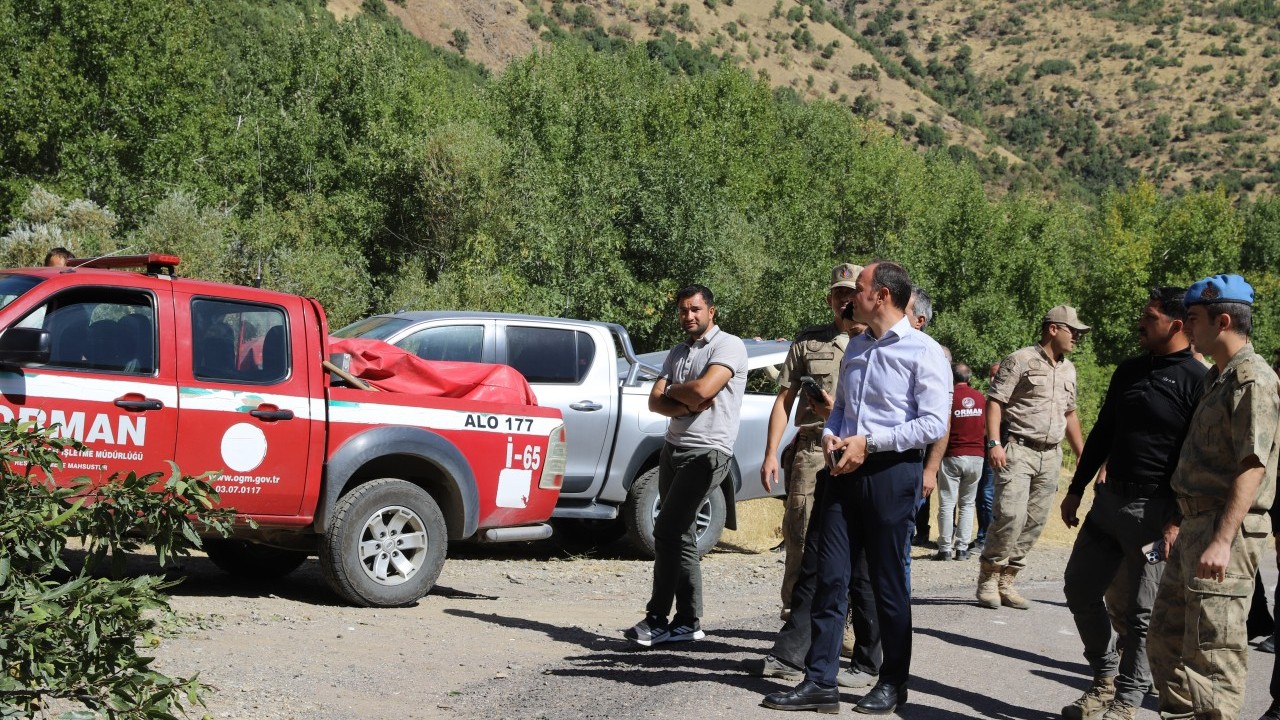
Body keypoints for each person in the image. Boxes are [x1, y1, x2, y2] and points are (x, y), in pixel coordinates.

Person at [762, 261, 949, 715]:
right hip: (843, 472)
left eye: (859, 290)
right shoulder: (858, 347)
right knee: (830, 578)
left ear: (882, 296)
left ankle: (892, 682)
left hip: (891, 475)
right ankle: (820, 681)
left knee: (887, 585)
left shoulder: (925, 352)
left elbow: (932, 422)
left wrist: (872, 442)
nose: (850, 299)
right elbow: (842, 409)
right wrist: (832, 435)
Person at [1058, 288, 1206, 720]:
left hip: (1156, 511)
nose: (1140, 323)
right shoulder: (1128, 371)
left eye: (1149, 316)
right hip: (1108, 504)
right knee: (1079, 588)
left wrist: (1177, 520)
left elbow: (1195, 458)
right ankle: (1104, 676)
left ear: (1177, 325)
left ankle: (1127, 699)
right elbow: (1103, 432)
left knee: (1143, 614)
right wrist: (1076, 488)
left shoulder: (1199, 382)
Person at [1148, 274, 1280, 720]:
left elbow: (1253, 464)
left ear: (1223, 320)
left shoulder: (1252, 379)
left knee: (1212, 657)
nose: (1186, 327)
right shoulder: (1218, 378)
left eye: (1194, 319)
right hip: (1195, 526)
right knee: (1165, 642)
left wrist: (1222, 540)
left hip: (1225, 529)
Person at [746, 263, 881, 690]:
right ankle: (795, 629)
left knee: (858, 551)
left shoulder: (882, 344)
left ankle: (842, 632)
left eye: (852, 291)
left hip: (861, 453)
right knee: (803, 538)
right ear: (830, 299)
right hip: (811, 450)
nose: (845, 299)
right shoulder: (809, 342)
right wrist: (770, 453)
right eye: (838, 293)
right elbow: (782, 399)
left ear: (868, 296)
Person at [625, 284, 748, 647]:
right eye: (683, 310)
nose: (688, 316)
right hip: (673, 449)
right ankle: (687, 621)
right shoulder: (679, 351)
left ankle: (658, 619)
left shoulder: (728, 345)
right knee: (678, 535)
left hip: (708, 453)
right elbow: (654, 401)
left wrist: (678, 391)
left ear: (712, 311)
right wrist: (685, 399)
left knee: (667, 530)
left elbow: (702, 390)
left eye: (695, 309)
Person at [978, 305, 1088, 609]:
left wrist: (1083, 455)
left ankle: (1007, 580)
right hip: (1018, 448)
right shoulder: (1020, 359)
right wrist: (994, 443)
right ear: (1053, 329)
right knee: (1010, 515)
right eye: (1073, 331)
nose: (1077, 337)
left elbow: (1070, 413)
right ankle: (988, 576)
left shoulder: (1069, 369)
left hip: (1051, 455)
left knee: (1035, 520)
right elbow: (995, 402)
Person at [932, 363, 986, 561]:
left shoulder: (948, 399)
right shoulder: (981, 398)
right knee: (968, 503)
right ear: (969, 378)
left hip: (952, 455)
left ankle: (945, 548)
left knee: (947, 503)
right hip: (976, 456)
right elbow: (986, 427)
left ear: (952, 379)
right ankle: (962, 548)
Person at [909, 287, 937, 548]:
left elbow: (941, 424)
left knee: (900, 548)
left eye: (903, 310)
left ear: (920, 320)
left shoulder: (932, 354)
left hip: (915, 462)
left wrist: (930, 470)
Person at [973, 362, 1001, 551]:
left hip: (998, 453)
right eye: (990, 376)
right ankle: (983, 533)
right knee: (980, 494)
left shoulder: (1005, 402)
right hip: (982, 451)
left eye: (996, 376)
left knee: (987, 493)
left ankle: (986, 537)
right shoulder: (985, 400)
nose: (992, 380)